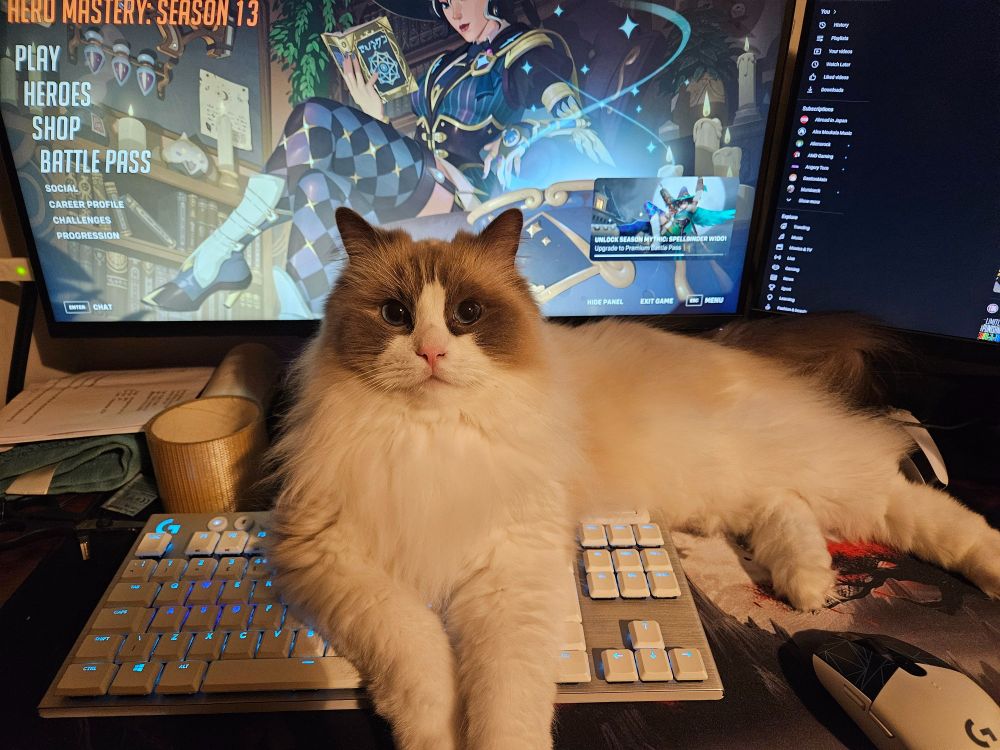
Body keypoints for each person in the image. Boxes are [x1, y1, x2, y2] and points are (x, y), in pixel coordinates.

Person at [143, 0, 613, 316]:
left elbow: (556, 97)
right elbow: (424, 146)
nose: (452, 11)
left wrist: (544, 127)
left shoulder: (526, 49)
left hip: (466, 195)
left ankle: (223, 249)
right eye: (442, 3)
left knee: (311, 117)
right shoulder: (444, 68)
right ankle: (305, 319)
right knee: (315, 186)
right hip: (424, 180)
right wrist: (374, 114)